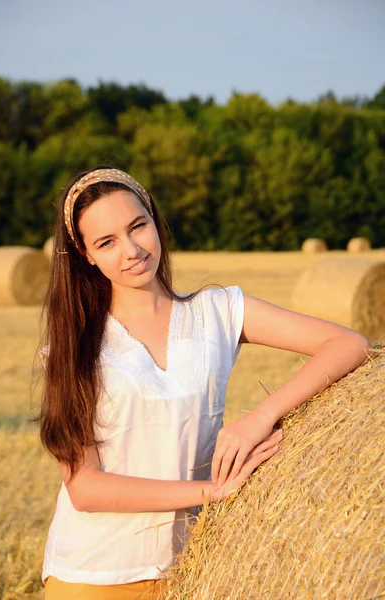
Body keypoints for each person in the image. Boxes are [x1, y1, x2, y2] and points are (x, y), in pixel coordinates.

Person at [38, 166, 371, 600]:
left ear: (155, 220)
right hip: (93, 576)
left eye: (138, 226)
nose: (133, 249)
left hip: (196, 570)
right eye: (107, 242)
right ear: (86, 254)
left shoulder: (217, 311)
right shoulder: (73, 347)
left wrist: (261, 416)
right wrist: (210, 492)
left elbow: (348, 343)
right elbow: (85, 488)